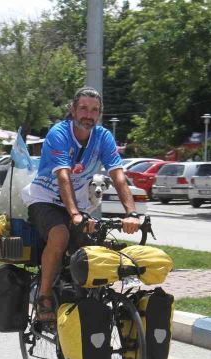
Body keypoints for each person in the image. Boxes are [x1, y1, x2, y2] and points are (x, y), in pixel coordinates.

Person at [21, 87, 140, 324]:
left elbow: (117, 175)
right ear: (73, 110)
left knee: (97, 246)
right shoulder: (60, 133)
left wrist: (132, 212)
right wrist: (74, 214)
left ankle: (84, 300)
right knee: (60, 234)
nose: (88, 114)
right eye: (83, 108)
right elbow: (63, 176)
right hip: (45, 198)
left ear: (99, 114)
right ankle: (44, 296)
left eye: (94, 110)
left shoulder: (103, 137)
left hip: (78, 204)